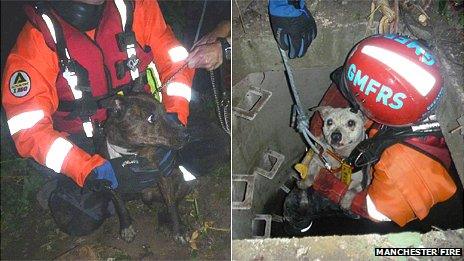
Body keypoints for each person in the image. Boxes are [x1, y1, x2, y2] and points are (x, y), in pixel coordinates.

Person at [2, 0, 194, 234]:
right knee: (79, 215)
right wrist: (88, 169)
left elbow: (176, 61)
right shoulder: (36, 38)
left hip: (144, 122)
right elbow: (28, 129)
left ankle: (152, 190)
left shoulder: (137, 6)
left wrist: (174, 118)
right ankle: (81, 187)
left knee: (207, 146)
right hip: (85, 142)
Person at [292, 34, 457, 230]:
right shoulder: (409, 92)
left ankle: (302, 218)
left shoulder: (402, 165)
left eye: (356, 98)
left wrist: (327, 186)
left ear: (370, 111)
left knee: (303, 205)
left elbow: (377, 211)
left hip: (383, 200)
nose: (351, 101)